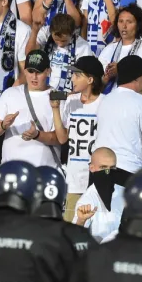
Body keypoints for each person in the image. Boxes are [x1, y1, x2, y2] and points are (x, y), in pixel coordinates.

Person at [0, 49, 60, 170]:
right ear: (25, 71)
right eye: (31, 71)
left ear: (48, 71)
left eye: (39, 72)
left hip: (43, 173)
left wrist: (37, 135)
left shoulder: (57, 97)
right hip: (11, 172)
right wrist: (3, 125)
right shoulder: (10, 93)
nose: (34, 77)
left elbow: (59, 138)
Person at [53, 54, 104, 219]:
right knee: (70, 227)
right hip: (74, 179)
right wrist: (55, 109)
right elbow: (62, 139)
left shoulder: (105, 102)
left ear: (90, 80)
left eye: (77, 75)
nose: (72, 78)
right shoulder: (71, 101)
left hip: (97, 179)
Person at [93, 54, 142, 175]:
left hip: (99, 168)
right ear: (136, 78)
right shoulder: (141, 102)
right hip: (126, 169)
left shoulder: (105, 99)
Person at [97, 4, 142, 92]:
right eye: (121, 21)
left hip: (133, 98)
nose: (124, 26)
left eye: (129, 22)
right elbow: (96, 89)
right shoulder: (108, 49)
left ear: (138, 25)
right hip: (109, 98)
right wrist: (105, 78)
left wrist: (121, 71)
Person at [74, 147, 128, 243]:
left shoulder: (126, 193)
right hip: (100, 250)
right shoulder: (87, 200)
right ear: (92, 168)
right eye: (103, 168)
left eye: (112, 168)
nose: (108, 172)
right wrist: (81, 220)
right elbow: (74, 239)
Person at [30, 13, 92, 94]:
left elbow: (85, 78)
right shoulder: (46, 33)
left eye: (64, 41)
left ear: (72, 33)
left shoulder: (83, 46)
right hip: (44, 91)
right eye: (56, 40)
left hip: (69, 94)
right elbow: (29, 54)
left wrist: (69, 95)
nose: (60, 44)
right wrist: (34, 31)